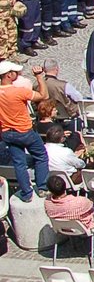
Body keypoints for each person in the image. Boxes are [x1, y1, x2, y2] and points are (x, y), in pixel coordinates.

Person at [0, 62, 49, 201]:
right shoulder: (18, 91)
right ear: (9, 75)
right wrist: (39, 77)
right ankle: (42, 187)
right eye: (15, 72)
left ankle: (26, 194)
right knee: (41, 156)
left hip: (8, 133)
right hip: (24, 131)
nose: (18, 74)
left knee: (19, 163)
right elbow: (43, 96)